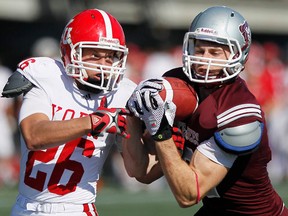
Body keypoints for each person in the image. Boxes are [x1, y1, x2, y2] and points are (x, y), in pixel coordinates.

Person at [123, 6, 288, 215]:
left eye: (215, 52)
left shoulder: (241, 113)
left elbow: (189, 195)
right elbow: (142, 172)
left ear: (238, 54)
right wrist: (133, 117)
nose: (204, 59)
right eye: (199, 50)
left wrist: (161, 130)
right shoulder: (179, 84)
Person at [2, 9, 136, 216]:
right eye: (94, 55)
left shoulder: (124, 94)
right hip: (25, 208)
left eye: (111, 57)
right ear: (70, 51)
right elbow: (34, 135)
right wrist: (95, 121)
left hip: (76, 209)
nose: (103, 66)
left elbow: (139, 171)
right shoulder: (46, 76)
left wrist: (159, 137)